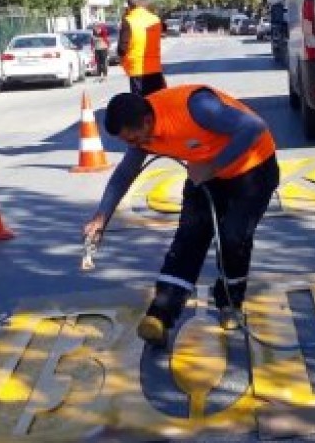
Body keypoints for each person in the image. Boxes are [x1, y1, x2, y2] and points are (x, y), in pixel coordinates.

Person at [82, 85, 279, 348]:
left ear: (147, 121)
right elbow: (125, 173)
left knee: (233, 238)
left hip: (252, 168)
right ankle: (159, 316)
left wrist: (213, 166)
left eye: (132, 139)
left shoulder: (197, 107)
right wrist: (101, 216)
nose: (133, 146)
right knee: (188, 239)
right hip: (206, 172)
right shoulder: (142, 132)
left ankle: (230, 302)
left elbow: (254, 127)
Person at [117, 0, 166, 96]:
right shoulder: (155, 19)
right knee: (157, 101)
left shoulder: (128, 21)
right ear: (144, 4)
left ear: (129, 5)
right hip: (156, 68)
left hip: (137, 69)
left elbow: (122, 49)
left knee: (141, 105)